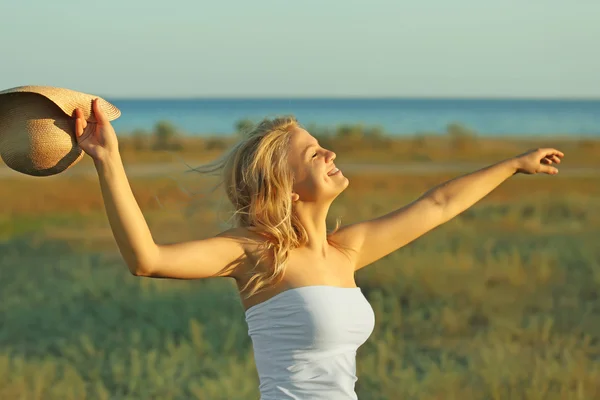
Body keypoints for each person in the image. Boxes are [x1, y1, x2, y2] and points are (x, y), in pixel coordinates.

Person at [74, 99, 564, 399]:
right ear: (287, 187)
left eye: (322, 144)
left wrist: (513, 165)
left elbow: (437, 204)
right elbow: (148, 260)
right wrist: (108, 161)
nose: (330, 152)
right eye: (313, 153)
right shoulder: (254, 254)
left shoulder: (346, 250)